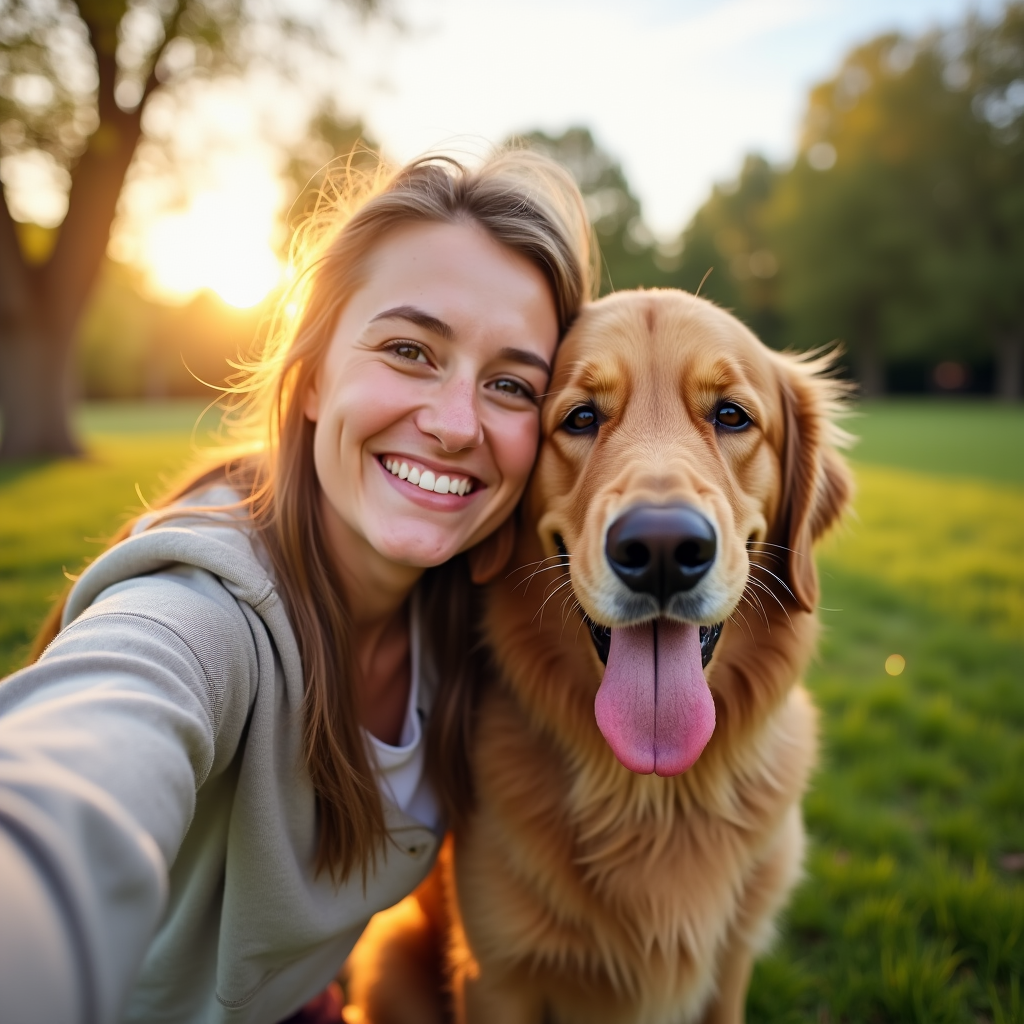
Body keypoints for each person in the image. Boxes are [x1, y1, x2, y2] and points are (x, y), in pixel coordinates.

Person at [0, 149, 593, 1024]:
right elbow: (80, 767)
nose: (456, 424)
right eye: (409, 350)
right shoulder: (204, 613)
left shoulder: (480, 614)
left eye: (510, 385)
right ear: (312, 373)